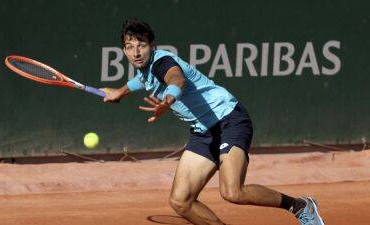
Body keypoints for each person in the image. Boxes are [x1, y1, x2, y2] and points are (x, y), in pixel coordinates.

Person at [101, 18, 325, 225]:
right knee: (181, 201)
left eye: (141, 45)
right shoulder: (146, 70)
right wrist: (120, 92)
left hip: (229, 119)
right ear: (124, 50)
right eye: (130, 47)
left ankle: (300, 206)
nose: (136, 52)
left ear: (152, 46)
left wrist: (168, 100)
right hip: (203, 132)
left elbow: (175, 79)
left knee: (232, 192)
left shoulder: (163, 62)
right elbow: (141, 80)